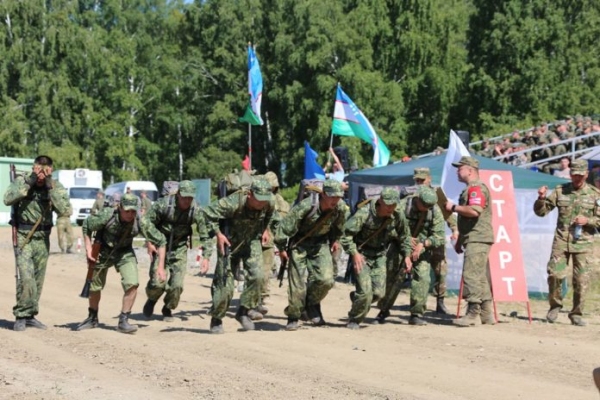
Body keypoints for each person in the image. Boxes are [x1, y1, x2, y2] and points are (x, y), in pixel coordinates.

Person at [4, 155, 70, 331]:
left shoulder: (55, 187)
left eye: (45, 170)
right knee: (26, 278)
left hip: (43, 238)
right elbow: (7, 199)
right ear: (34, 168)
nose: (41, 173)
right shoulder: (23, 181)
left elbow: (65, 210)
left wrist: (50, 188)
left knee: (38, 280)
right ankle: (21, 314)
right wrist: (30, 181)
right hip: (25, 237)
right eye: (38, 169)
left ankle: (31, 314)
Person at [203, 178, 278, 333]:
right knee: (225, 286)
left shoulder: (268, 202)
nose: (261, 204)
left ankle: (243, 311)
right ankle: (216, 319)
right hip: (229, 243)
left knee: (258, 277)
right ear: (250, 194)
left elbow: (270, 214)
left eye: (264, 201)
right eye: (258, 200)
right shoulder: (233, 202)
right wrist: (218, 234)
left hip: (251, 241)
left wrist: (265, 229)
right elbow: (207, 213)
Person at [533, 159, 600, 326]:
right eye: (574, 175)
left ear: (586, 174)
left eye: (580, 176)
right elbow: (541, 212)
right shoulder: (560, 191)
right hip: (562, 240)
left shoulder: (594, 195)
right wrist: (541, 198)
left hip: (584, 243)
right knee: (555, 274)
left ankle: (576, 313)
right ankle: (555, 306)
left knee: (581, 280)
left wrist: (588, 221)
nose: (576, 179)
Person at [275, 179, 347, 331]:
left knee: (326, 280)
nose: (336, 200)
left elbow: (339, 226)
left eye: (338, 197)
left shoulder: (340, 208)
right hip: (299, 244)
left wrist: (336, 240)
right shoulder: (306, 206)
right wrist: (281, 249)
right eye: (333, 196)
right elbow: (284, 228)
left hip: (320, 244)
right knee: (298, 285)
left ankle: (311, 304)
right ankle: (293, 316)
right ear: (324, 194)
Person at [141, 180, 212, 322]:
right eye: (184, 197)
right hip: (160, 246)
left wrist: (206, 257)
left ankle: (167, 307)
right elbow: (145, 222)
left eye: (190, 198)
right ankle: (152, 299)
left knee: (177, 285)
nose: (187, 201)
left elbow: (205, 234)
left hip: (179, 247)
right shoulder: (164, 205)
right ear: (178, 194)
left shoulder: (195, 210)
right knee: (157, 282)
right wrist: (150, 242)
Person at [341, 187, 412, 329]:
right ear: (380, 202)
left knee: (379, 293)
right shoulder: (365, 213)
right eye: (388, 205)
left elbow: (405, 237)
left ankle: (358, 298)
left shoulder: (397, 215)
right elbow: (346, 236)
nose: (391, 208)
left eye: (394, 205)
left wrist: (407, 256)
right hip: (362, 255)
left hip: (380, 255)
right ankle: (354, 319)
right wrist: (354, 254)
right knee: (366, 292)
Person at [76, 193, 145, 333]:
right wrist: (89, 249)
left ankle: (123, 320)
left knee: (132, 283)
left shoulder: (139, 220)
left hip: (124, 252)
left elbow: (154, 235)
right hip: (102, 251)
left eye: (133, 211)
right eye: (127, 211)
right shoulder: (106, 215)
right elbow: (87, 225)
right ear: (120, 208)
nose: (130, 214)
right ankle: (92, 317)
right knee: (94, 287)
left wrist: (154, 247)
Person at [376, 186, 444, 325]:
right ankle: (383, 310)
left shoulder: (434, 211)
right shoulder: (401, 206)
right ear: (417, 199)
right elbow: (388, 227)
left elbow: (440, 236)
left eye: (428, 206)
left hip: (422, 249)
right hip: (400, 246)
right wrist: (404, 238)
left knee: (423, 279)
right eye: (423, 205)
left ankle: (416, 314)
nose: (425, 208)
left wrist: (425, 243)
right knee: (393, 278)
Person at [444, 156, 495, 327]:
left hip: (478, 237)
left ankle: (473, 313)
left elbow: (474, 211)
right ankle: (487, 314)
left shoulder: (476, 189)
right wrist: (460, 239)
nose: (458, 171)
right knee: (480, 276)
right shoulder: (471, 189)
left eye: (460, 168)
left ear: (470, 170)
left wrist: (452, 207)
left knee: (471, 274)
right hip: (474, 237)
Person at [413, 167, 459, 314]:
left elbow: (448, 214)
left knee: (440, 270)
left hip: (435, 238)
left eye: (422, 180)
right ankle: (417, 303)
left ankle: (440, 302)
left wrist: (455, 229)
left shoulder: (437, 196)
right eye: (417, 180)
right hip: (416, 239)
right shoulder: (412, 195)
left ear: (429, 179)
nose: (420, 183)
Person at [257, 172, 290, 316]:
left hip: (269, 239)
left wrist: (281, 245)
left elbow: (282, 222)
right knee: (254, 272)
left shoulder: (280, 202)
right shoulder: (255, 196)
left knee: (264, 272)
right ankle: (254, 299)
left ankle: (261, 297)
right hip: (252, 238)